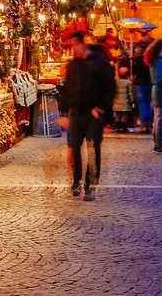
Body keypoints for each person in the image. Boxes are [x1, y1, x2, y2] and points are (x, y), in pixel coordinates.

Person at [61, 32, 113, 201]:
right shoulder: (73, 65)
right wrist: (64, 112)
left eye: (74, 45)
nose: (72, 49)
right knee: (74, 148)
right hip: (75, 112)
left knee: (92, 149)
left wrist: (100, 108)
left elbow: (109, 88)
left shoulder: (99, 63)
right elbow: (67, 87)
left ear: (82, 44)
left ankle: (90, 185)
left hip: (93, 114)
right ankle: (76, 181)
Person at [132, 38, 154, 133]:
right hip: (150, 83)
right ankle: (149, 123)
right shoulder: (152, 58)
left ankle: (143, 124)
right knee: (149, 104)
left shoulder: (139, 59)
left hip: (140, 83)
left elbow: (135, 71)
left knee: (142, 104)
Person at [113, 66, 137, 132]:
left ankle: (117, 127)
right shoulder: (129, 83)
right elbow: (131, 93)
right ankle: (123, 127)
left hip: (117, 102)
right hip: (125, 103)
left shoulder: (116, 82)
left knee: (118, 114)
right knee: (125, 114)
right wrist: (132, 101)